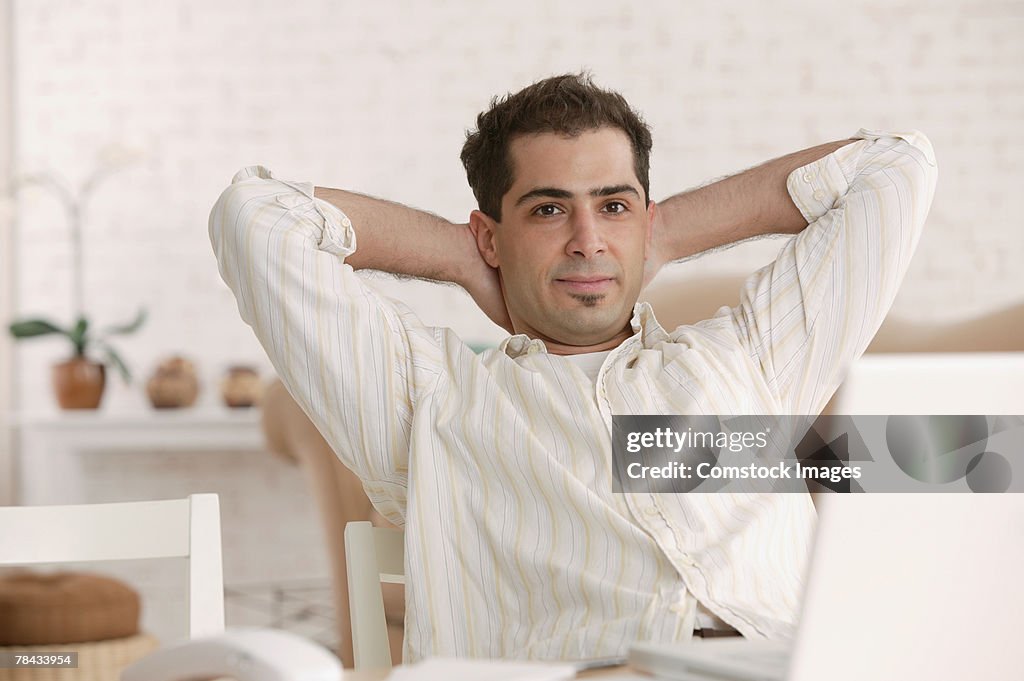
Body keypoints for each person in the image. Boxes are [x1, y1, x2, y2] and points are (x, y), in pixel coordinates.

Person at [209, 73, 937, 662]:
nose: (589, 242)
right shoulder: (427, 396)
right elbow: (258, 218)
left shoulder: (751, 357)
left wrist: (669, 232)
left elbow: (895, 167)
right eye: (550, 210)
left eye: (613, 206)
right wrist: (461, 258)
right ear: (493, 234)